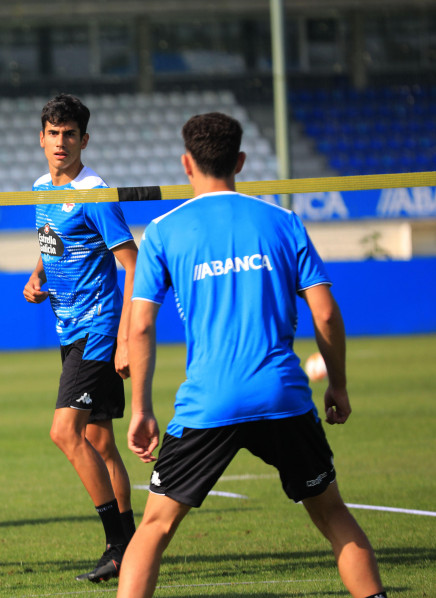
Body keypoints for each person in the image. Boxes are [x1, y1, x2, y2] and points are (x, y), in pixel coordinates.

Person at [117, 112, 387, 598]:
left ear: (185, 163)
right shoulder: (282, 221)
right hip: (281, 395)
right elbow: (326, 315)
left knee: (155, 527)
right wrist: (338, 385)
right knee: (331, 513)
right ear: (240, 160)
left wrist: (141, 409)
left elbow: (139, 324)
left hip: (209, 403)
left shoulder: (163, 230)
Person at [22, 94, 139, 583]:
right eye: (53, 133)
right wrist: (36, 275)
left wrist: (128, 338)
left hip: (98, 328)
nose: (60, 142)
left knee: (64, 433)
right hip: (68, 327)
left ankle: (115, 545)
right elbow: (54, 243)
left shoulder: (95, 192)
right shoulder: (39, 188)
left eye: (70, 134)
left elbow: (132, 262)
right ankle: (133, 546)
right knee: (99, 441)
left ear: (83, 140)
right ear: (42, 137)